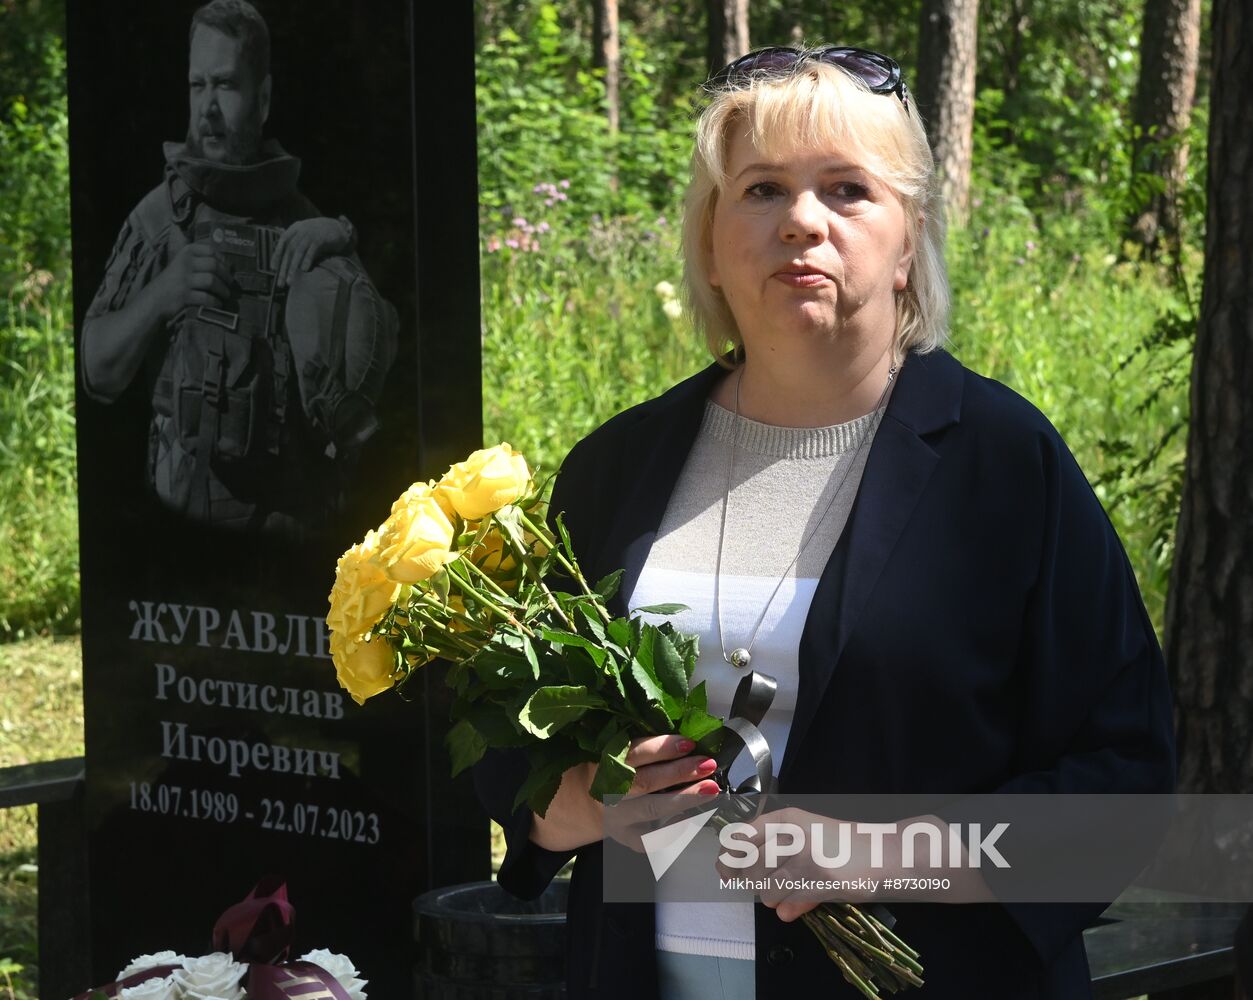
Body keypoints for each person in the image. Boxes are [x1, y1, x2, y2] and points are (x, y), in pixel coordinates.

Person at [476, 45, 1176, 998]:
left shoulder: (1004, 465)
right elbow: (513, 755)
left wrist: (883, 859)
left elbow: (1123, 784)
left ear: (907, 238)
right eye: (761, 189)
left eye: (847, 190)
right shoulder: (618, 465)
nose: (801, 222)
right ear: (712, 242)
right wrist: (580, 806)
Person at [80, 0, 397, 531]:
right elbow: (96, 372)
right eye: (196, 85)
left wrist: (341, 240)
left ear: (263, 97)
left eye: (224, 85)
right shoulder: (161, 219)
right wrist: (163, 293)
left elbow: (366, 360)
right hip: (187, 537)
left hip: (296, 535)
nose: (206, 107)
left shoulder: (303, 222)